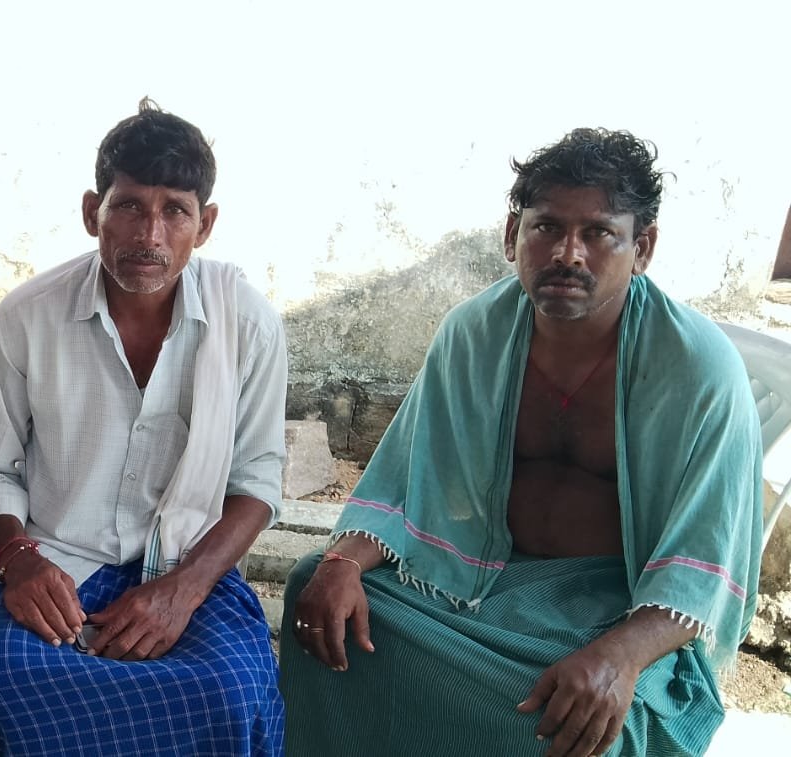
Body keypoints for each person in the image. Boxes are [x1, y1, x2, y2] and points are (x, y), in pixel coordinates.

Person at [282, 128, 763, 757]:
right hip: (481, 576)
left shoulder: (698, 367)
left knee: (556, 714)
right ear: (513, 236)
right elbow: (404, 477)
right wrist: (341, 562)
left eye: (598, 233)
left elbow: (708, 556)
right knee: (313, 593)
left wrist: (619, 658)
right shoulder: (473, 333)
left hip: (614, 611)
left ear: (641, 248)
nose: (568, 252)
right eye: (546, 228)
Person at [0, 100, 288, 756]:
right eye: (130, 205)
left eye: (175, 210)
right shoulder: (28, 316)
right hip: (56, 557)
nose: (150, 234)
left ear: (206, 223)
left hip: (190, 564)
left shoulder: (246, 323)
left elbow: (257, 482)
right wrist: (18, 560)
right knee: (4, 675)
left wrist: (183, 589)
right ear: (92, 212)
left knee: (232, 691)